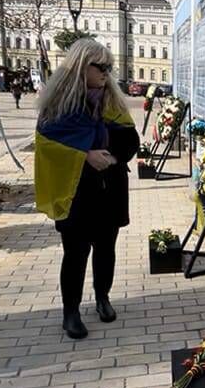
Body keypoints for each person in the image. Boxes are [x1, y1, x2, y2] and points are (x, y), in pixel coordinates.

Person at [34, 39, 138, 340]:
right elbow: (47, 144)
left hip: (110, 187)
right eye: (101, 67)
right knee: (75, 253)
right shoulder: (57, 105)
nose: (107, 73)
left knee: (106, 248)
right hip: (75, 192)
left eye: (109, 67)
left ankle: (102, 297)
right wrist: (84, 156)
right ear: (81, 68)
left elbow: (131, 140)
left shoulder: (112, 101)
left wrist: (113, 156)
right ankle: (71, 312)